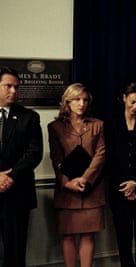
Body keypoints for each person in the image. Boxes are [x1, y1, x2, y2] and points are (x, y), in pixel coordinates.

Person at [48, 83, 106, 267]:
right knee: (68, 235)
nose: (82, 103)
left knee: (88, 235)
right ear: (67, 101)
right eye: (77, 99)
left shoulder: (97, 124)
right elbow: (55, 157)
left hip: (91, 190)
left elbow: (101, 154)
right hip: (67, 191)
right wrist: (66, 183)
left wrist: (85, 179)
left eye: (85, 100)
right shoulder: (55, 127)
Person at [104, 82, 136, 267]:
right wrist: (126, 185)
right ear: (124, 98)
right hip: (119, 189)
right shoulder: (111, 123)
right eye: (133, 102)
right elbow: (109, 157)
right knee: (123, 237)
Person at [0, 66, 43, 267]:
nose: (14, 91)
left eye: (16, 87)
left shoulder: (29, 117)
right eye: (8, 86)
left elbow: (34, 153)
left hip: (17, 192)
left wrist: (11, 177)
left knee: (15, 250)